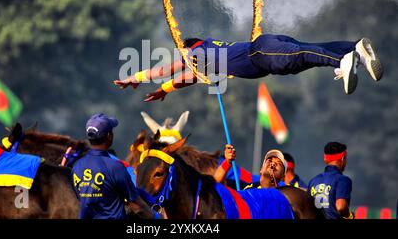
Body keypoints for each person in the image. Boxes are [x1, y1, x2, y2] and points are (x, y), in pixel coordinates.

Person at [114, 35, 383, 99]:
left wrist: (135, 76)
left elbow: (168, 69)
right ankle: (353, 49)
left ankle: (341, 61)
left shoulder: (197, 53)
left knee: (304, 53)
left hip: (260, 52)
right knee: (307, 54)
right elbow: (187, 78)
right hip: (267, 57)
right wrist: (165, 90)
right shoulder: (207, 62)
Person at [71, 113, 153, 219]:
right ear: (109, 136)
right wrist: (155, 216)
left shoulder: (77, 166)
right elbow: (137, 206)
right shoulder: (115, 167)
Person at [308, 142, 354, 219]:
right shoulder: (343, 180)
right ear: (342, 158)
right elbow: (341, 206)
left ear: (325, 159)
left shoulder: (313, 181)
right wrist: (350, 216)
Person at [214, 145, 286, 189]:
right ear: (261, 170)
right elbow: (215, 185)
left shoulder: (287, 195)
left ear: (283, 176)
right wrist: (227, 162)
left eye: (278, 163)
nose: (273, 163)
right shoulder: (245, 188)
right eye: (269, 160)